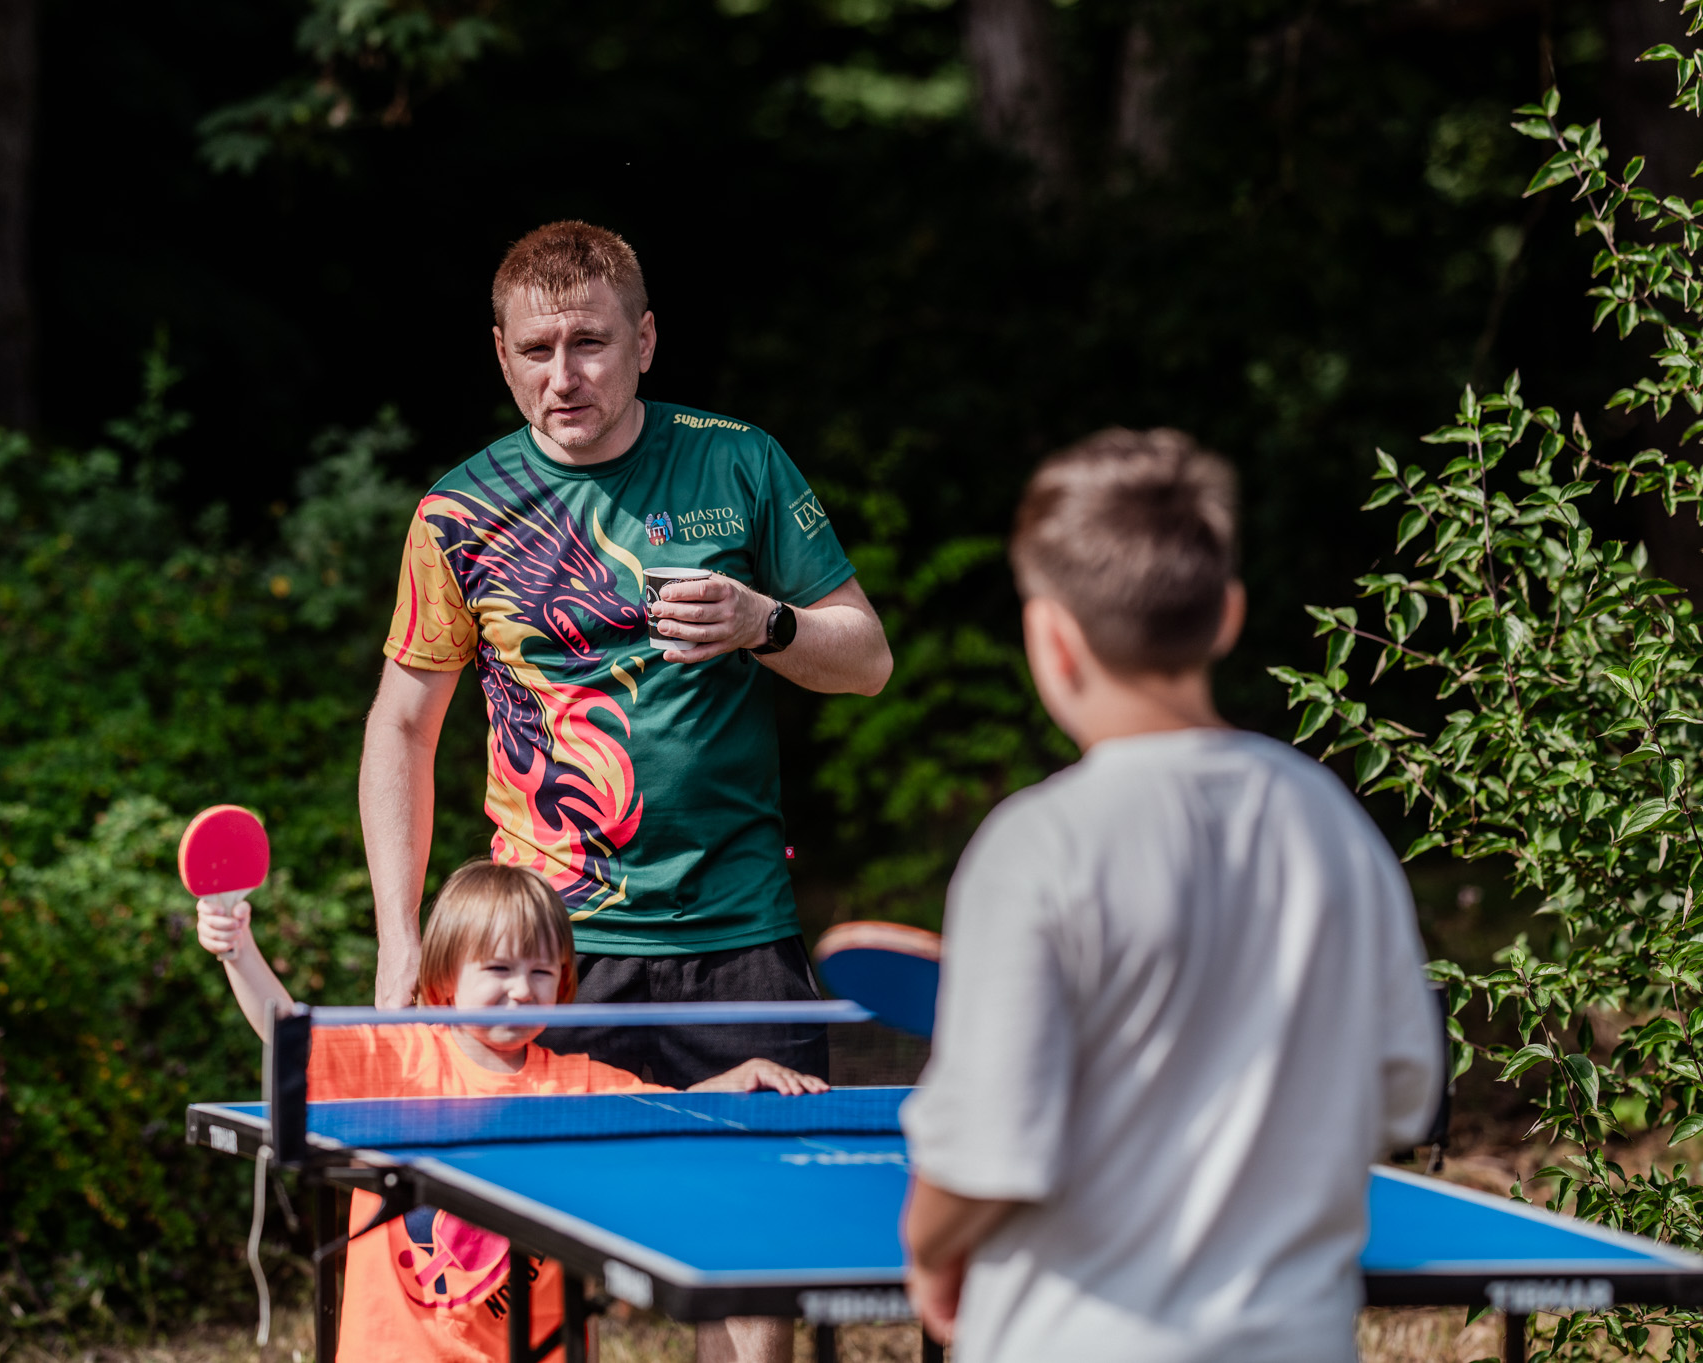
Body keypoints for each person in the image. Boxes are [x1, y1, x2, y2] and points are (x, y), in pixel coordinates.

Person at [360, 218, 891, 1363]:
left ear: (644, 340)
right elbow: (402, 725)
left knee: (754, 1280)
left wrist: (766, 621)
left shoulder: (739, 461)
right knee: (522, 1277)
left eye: (591, 343)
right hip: (539, 956)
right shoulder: (459, 513)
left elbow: (866, 658)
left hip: (737, 932)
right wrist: (398, 939)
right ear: (499, 354)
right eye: (536, 349)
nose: (565, 376)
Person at [899, 429, 1443, 1363]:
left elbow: (982, 1156)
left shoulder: (1037, 846)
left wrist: (928, 1245)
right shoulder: (1334, 825)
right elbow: (1404, 1092)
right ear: (1228, 616)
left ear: (1051, 638)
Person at [195, 859, 826, 1363]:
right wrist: (238, 950)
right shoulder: (397, 1058)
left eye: (541, 972)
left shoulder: (578, 1084)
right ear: (445, 978)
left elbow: (667, 1116)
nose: (521, 989)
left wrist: (735, 1079)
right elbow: (287, 1031)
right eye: (498, 969)